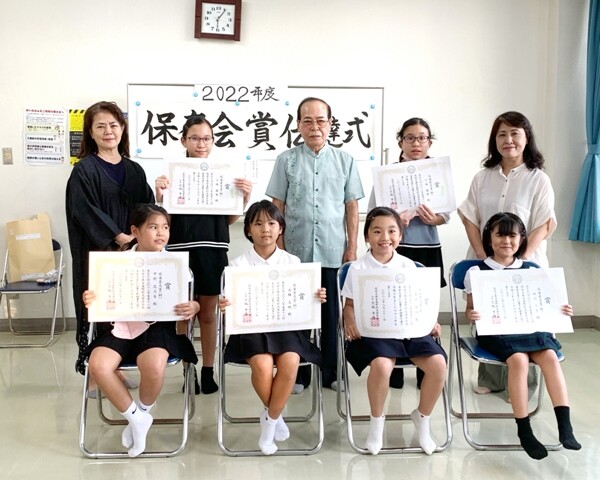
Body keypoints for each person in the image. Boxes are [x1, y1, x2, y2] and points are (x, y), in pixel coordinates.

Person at [83, 204, 199, 457]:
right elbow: (100, 296)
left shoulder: (175, 264)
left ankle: (141, 415)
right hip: (120, 326)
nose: (161, 233)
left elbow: (193, 301)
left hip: (159, 328)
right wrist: (91, 297)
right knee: (98, 366)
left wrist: (194, 306)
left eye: (165, 227)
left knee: (154, 365)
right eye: (153, 227)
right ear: (135, 231)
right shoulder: (115, 263)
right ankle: (136, 418)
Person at [266, 97, 364, 391]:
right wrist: (279, 246)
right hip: (295, 251)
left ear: (330, 124)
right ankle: (298, 374)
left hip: (333, 249)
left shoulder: (345, 161)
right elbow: (277, 205)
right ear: (298, 125)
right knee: (297, 313)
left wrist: (352, 246)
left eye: (321, 120)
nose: (314, 127)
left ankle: (331, 373)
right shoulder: (286, 160)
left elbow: (351, 206)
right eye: (307, 121)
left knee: (331, 315)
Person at [464, 212, 581, 460]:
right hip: (496, 332)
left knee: (550, 357)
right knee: (518, 360)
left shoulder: (531, 270)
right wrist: (471, 314)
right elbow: (469, 309)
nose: (506, 241)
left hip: (530, 329)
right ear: (489, 238)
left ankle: (565, 426)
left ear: (521, 239)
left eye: (512, 236)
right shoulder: (477, 270)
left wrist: (562, 310)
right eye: (500, 235)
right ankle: (524, 429)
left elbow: (546, 303)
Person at [458, 111, 556, 395]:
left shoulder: (538, 179)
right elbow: (470, 217)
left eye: (515, 133)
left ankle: (524, 386)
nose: (508, 140)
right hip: (486, 262)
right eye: (502, 134)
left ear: (527, 138)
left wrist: (518, 260)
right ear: (494, 140)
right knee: (489, 319)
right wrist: (482, 256)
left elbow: (543, 224)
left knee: (523, 322)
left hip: (524, 265)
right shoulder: (483, 177)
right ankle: (491, 380)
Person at [155, 115, 252, 394]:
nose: (201, 144)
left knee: (209, 314)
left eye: (207, 139)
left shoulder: (224, 174)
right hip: (180, 249)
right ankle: (188, 370)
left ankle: (208, 370)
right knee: (183, 314)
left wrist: (244, 198)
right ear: (183, 140)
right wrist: (160, 195)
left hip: (213, 248)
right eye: (195, 138)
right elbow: (164, 219)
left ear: (213, 142)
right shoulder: (173, 175)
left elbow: (229, 220)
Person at [218, 200, 325, 455]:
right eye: (258, 223)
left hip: (286, 328)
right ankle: (275, 415)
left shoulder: (293, 262)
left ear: (280, 229)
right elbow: (230, 305)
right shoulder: (237, 266)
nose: (265, 229)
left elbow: (302, 299)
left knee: (290, 362)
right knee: (263, 366)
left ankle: (269, 420)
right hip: (251, 329)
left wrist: (315, 296)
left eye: (271, 223)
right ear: (248, 230)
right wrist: (225, 304)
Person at [342, 207, 447, 455]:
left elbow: (422, 302)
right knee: (382, 366)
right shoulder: (357, 268)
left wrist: (431, 322)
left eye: (391, 231)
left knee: (438, 364)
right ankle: (376, 423)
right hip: (374, 334)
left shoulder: (409, 265)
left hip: (409, 330)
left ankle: (422, 418)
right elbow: (349, 306)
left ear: (400, 236)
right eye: (377, 231)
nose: (385, 238)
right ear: (367, 236)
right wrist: (350, 322)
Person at [66, 101, 155, 385]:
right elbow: (83, 210)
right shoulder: (84, 170)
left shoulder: (135, 170)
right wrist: (118, 235)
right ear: (90, 133)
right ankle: (98, 371)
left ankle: (117, 364)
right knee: (101, 304)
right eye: (101, 126)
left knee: (127, 307)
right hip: (99, 251)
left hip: (132, 253)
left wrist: (139, 237)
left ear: (123, 129)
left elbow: (147, 207)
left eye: (114, 125)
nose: (108, 131)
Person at [368, 117, 450, 390]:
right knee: (393, 304)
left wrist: (435, 219)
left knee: (425, 305)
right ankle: (394, 370)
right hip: (393, 248)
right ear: (400, 142)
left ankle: (427, 369)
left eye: (422, 138)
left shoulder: (437, 172)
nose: (416, 143)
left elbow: (447, 213)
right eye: (410, 138)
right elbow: (374, 213)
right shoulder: (387, 175)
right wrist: (394, 221)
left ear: (429, 142)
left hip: (427, 246)